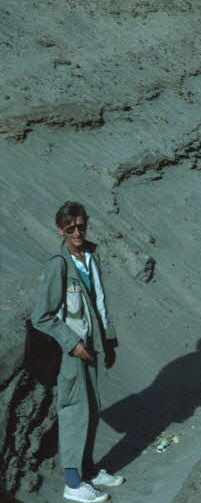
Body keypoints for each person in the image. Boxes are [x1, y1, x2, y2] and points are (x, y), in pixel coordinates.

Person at [32, 202, 124, 503]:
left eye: (81, 226)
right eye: (70, 228)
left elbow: (98, 302)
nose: (77, 233)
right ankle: (73, 483)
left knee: (92, 409)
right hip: (73, 351)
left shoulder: (91, 255)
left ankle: (88, 469)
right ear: (60, 229)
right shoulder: (58, 263)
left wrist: (108, 341)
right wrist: (72, 343)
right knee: (75, 411)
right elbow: (42, 315)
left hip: (94, 345)